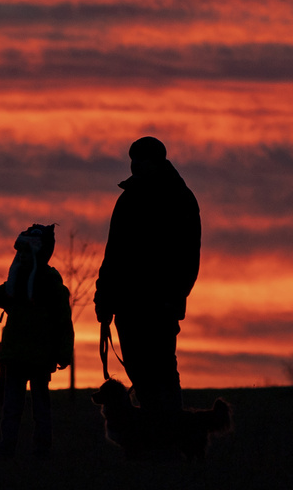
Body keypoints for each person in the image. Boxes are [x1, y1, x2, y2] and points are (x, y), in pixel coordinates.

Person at [94, 136, 200, 416]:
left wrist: (173, 297)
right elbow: (113, 254)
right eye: (133, 159)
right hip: (128, 305)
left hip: (160, 306)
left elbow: (188, 257)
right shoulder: (127, 200)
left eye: (141, 159)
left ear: (158, 161)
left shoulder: (179, 199)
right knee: (140, 373)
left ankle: (170, 436)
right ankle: (155, 436)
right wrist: (104, 299)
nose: (135, 165)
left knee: (162, 370)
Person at [0, 223, 74, 458]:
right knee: (15, 408)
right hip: (18, 357)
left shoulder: (48, 285)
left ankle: (37, 451)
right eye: (20, 251)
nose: (22, 256)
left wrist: (64, 353)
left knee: (37, 407)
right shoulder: (16, 284)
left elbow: (63, 322)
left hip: (36, 357)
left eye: (26, 251)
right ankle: (11, 450)